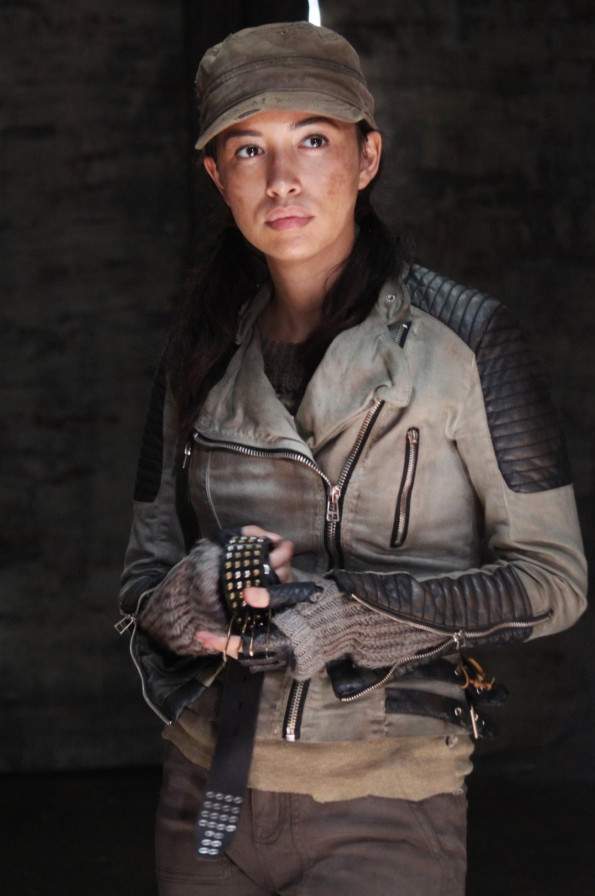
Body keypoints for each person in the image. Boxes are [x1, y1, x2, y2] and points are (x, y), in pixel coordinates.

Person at [116, 20, 588, 896]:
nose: (281, 178)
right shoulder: (196, 351)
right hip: (204, 792)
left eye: (313, 140)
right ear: (216, 176)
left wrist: (354, 617)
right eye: (248, 149)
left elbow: (553, 581)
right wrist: (190, 593)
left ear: (366, 157)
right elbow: (141, 578)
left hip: (386, 802)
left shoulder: (467, 342)